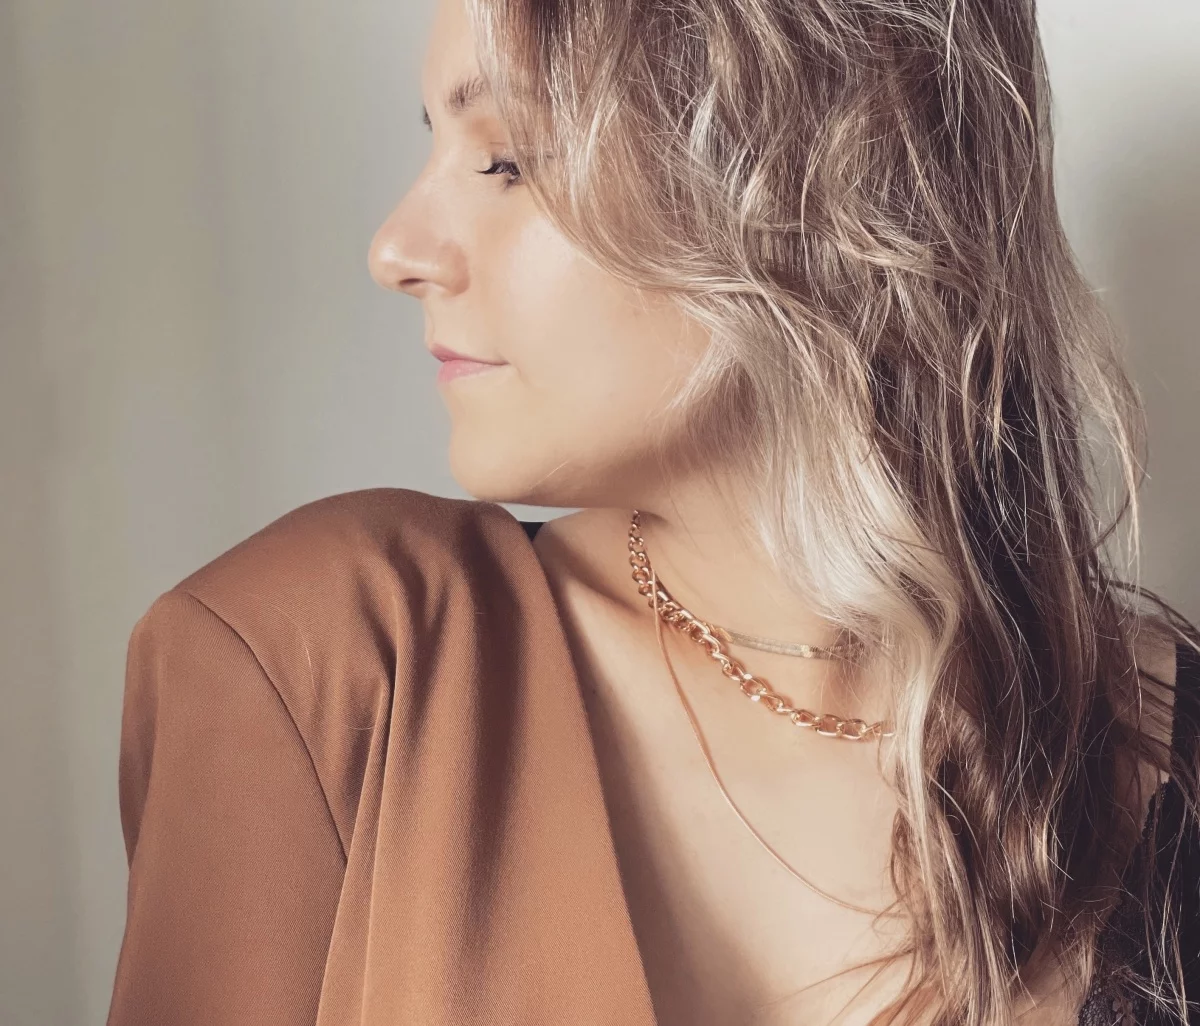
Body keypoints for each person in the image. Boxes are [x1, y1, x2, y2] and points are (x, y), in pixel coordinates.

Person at [106, 0, 1199, 1024]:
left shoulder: (1166, 747)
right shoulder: (324, 663)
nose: (396, 251)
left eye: (508, 160)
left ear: (813, 186)